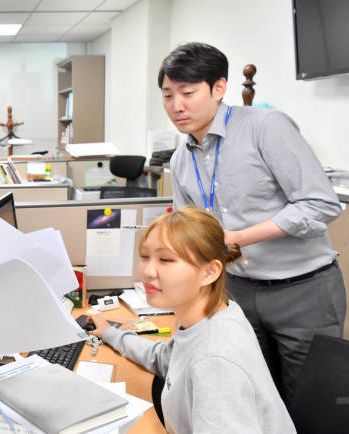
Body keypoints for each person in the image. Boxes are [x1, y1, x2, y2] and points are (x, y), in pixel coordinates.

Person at [160, 42, 345, 404]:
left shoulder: (265, 127)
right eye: (168, 95)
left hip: (302, 289)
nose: (176, 106)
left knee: (311, 405)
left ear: (218, 88)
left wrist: (240, 236)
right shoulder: (182, 158)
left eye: (187, 93)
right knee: (255, 398)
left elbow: (321, 203)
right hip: (236, 290)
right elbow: (188, 228)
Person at [89, 208, 295, 433]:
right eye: (145, 256)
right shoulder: (214, 314)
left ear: (209, 272)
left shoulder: (214, 360)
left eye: (166, 259)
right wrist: (110, 334)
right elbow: (164, 358)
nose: (147, 271)